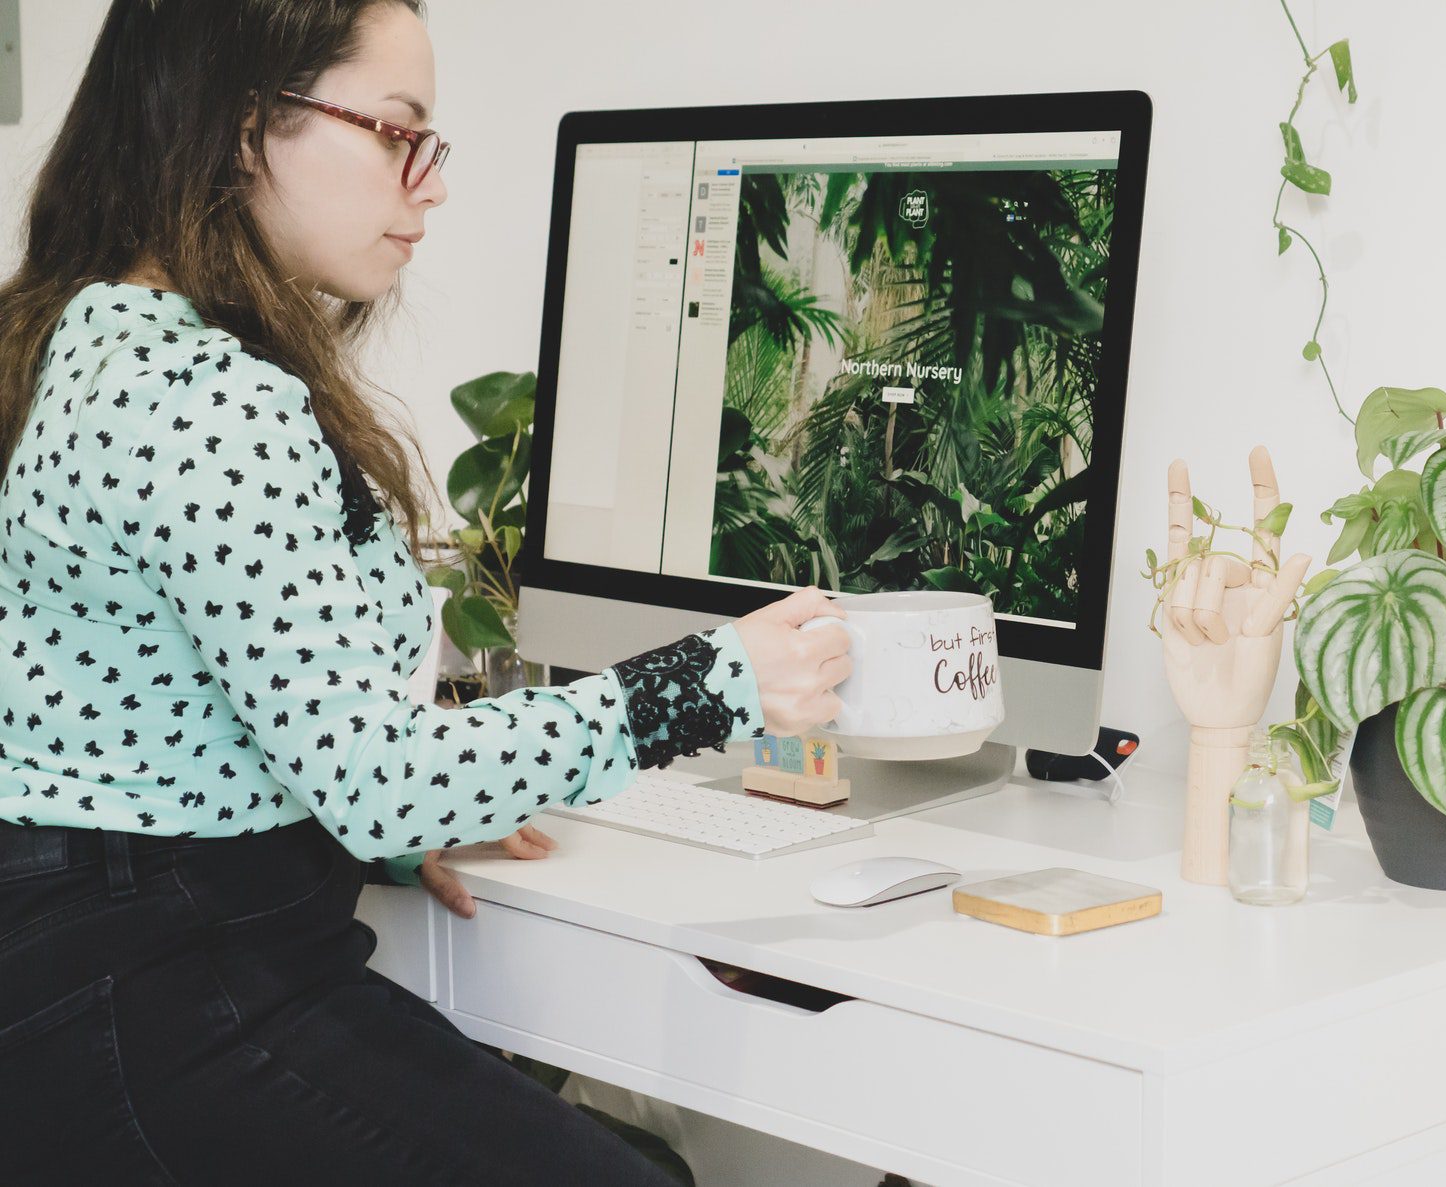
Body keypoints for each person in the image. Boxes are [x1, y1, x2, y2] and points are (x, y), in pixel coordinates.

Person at [0, 2, 850, 1182]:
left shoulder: (96, 331)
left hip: (98, 961)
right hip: (161, 995)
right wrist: (713, 683)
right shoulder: (208, 403)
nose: (428, 183)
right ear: (246, 130)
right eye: (396, 132)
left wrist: (368, 818)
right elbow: (383, 785)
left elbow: (192, 710)